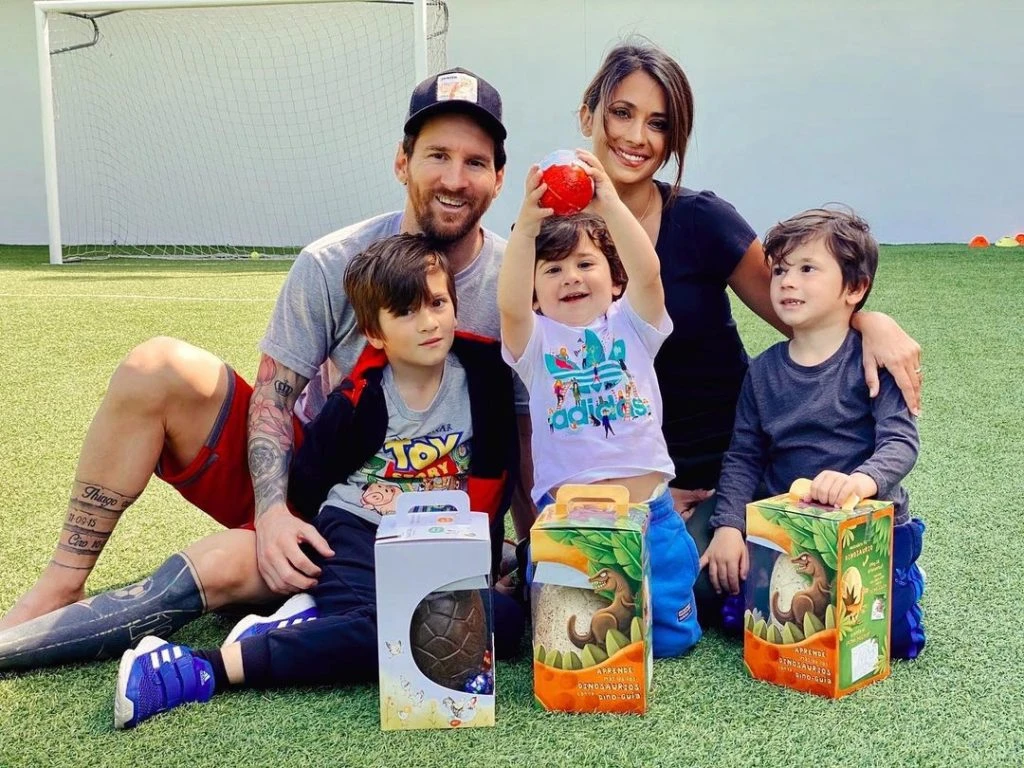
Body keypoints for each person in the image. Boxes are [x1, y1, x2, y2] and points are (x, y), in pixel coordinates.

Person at [0, 67, 524, 671]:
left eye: (475, 162)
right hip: (321, 485)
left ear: (498, 178)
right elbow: (274, 398)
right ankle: (61, 583)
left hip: (428, 517)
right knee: (156, 367)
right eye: (437, 155)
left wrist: (523, 553)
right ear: (401, 162)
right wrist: (272, 516)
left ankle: (284, 617)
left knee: (224, 567)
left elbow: (526, 429)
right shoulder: (332, 262)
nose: (454, 179)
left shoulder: (515, 283)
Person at [575, 41, 923, 627]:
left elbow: (798, 310)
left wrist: (871, 320)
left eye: (658, 123)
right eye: (621, 113)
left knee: (697, 585)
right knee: (580, 585)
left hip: (720, 470)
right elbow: (538, 384)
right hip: (620, 477)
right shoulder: (554, 238)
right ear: (588, 114)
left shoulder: (702, 220)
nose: (637, 136)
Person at [112, 234, 522, 728]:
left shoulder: (484, 378)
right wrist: (286, 524)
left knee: (506, 623)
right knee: (394, 632)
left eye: (438, 303)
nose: (429, 322)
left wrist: (488, 555)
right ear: (375, 332)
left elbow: (498, 471)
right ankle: (204, 667)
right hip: (360, 529)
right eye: (406, 312)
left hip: (440, 539)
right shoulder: (358, 398)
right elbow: (310, 474)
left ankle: (308, 623)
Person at [499, 151, 701, 658]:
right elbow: (509, 305)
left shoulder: (633, 325)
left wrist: (609, 203)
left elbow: (649, 274)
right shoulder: (536, 344)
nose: (570, 277)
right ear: (535, 292)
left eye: (585, 264)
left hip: (649, 515)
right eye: (553, 269)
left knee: (670, 641)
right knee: (580, 643)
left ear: (615, 281)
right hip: (570, 526)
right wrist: (526, 228)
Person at [701, 207, 925, 660]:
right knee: (744, 622)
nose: (787, 282)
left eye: (807, 269)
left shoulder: (871, 361)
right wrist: (728, 526)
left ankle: (906, 581)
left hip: (866, 527)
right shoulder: (763, 370)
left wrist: (859, 482)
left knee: (887, 640)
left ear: (854, 288)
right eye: (780, 270)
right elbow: (744, 455)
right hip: (789, 531)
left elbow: (901, 442)